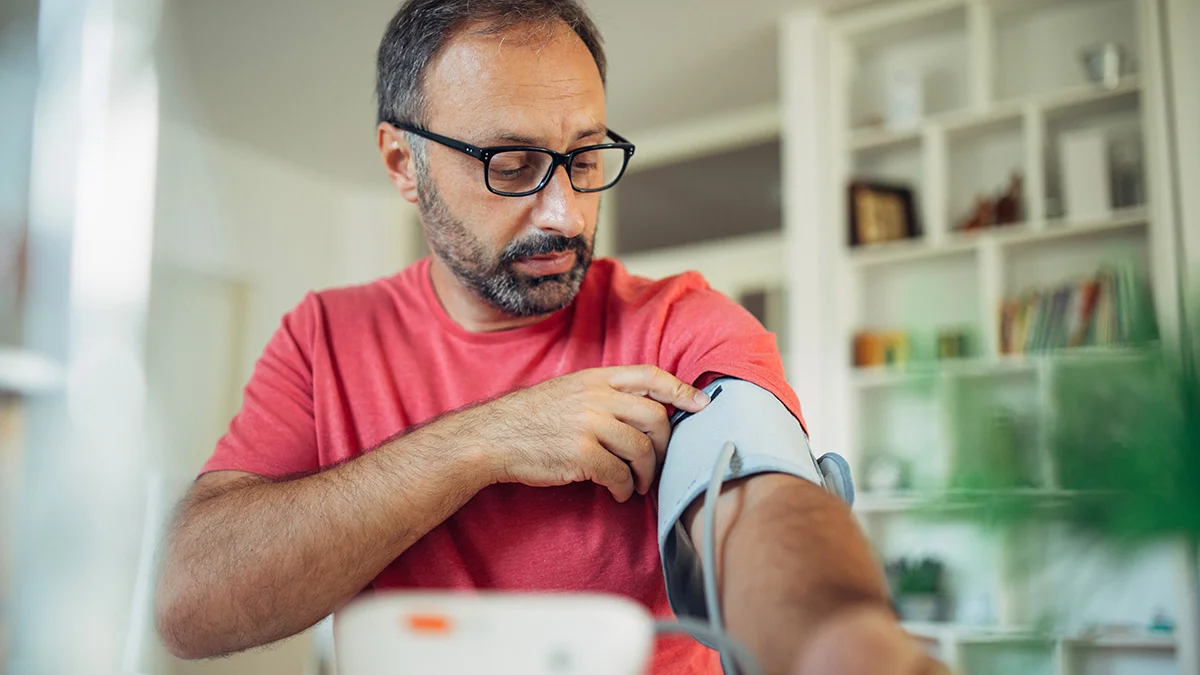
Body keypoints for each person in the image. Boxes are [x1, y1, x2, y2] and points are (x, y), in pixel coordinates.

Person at [154, 1, 946, 673]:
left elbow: (760, 502)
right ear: (404, 162)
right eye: (512, 162)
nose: (566, 212)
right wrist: (487, 439)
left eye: (585, 156)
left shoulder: (681, 323)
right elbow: (189, 603)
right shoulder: (325, 335)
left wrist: (846, 640)